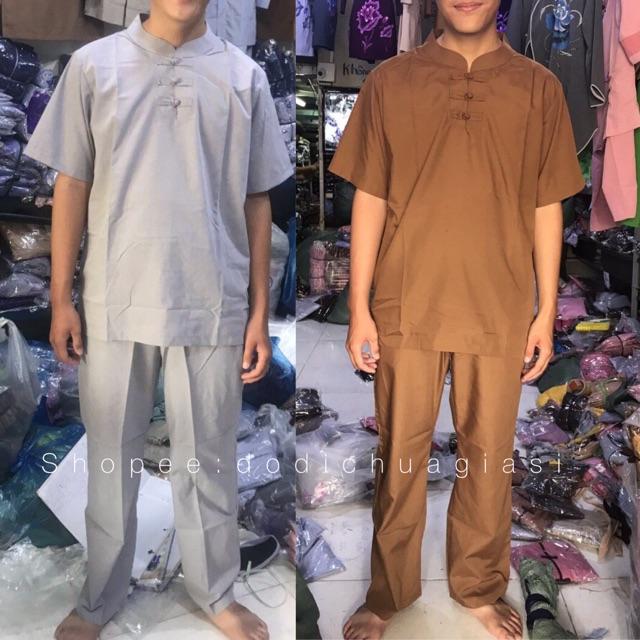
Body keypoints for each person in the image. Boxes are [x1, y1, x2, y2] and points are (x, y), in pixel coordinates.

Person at [24, 1, 292, 639]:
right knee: (110, 460)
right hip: (116, 297)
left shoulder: (244, 77)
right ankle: (100, 595)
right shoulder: (93, 67)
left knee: (209, 459)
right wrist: (61, 298)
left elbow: (258, 198)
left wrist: (259, 310)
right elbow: (71, 185)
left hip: (211, 298)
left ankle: (215, 591)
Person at [328, 0, 585, 639]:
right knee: (400, 456)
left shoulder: (539, 88)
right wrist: (358, 308)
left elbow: (546, 205)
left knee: (488, 458)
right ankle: (388, 593)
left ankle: (477, 586)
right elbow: (370, 197)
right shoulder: (390, 81)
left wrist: (544, 310)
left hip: (498, 304)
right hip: (406, 301)